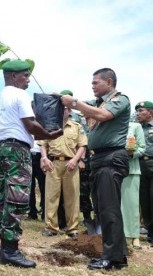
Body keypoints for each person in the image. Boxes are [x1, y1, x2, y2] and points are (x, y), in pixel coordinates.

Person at [0, 59, 62, 268]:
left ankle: (5, 246)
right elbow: (31, 125)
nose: (28, 80)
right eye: (25, 75)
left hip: (3, 147)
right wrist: (50, 134)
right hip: (17, 150)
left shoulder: (0, 97)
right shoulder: (19, 94)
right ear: (13, 76)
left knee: (5, 197)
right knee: (17, 198)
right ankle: (10, 250)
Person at [61, 68, 130, 270]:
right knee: (102, 209)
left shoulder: (120, 100)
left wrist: (74, 103)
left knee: (109, 210)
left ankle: (112, 257)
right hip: (99, 159)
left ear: (109, 82)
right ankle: (118, 255)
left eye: (95, 83)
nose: (92, 86)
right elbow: (82, 107)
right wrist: (64, 100)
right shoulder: (97, 102)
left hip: (112, 157)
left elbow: (102, 115)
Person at [40, 106, 87, 238]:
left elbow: (82, 145)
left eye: (66, 108)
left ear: (70, 111)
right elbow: (43, 144)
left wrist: (76, 160)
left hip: (71, 164)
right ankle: (51, 227)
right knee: (51, 196)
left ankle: (72, 228)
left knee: (72, 197)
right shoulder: (50, 125)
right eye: (62, 108)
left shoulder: (76, 126)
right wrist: (44, 158)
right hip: (53, 164)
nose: (64, 110)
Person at [121, 122, 145, 250]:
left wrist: (130, 153)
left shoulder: (135, 126)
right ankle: (119, 235)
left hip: (131, 169)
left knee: (131, 205)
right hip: (111, 169)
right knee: (114, 205)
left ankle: (134, 236)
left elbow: (142, 148)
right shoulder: (108, 125)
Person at [136, 101, 153, 245]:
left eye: (141, 111)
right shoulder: (136, 128)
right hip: (140, 164)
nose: (138, 113)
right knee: (144, 200)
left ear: (150, 112)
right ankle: (150, 231)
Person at [27, 140, 46, 220]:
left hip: (41, 156)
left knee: (44, 187)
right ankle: (32, 212)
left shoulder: (44, 127)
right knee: (30, 186)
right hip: (29, 154)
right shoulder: (27, 127)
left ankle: (45, 213)